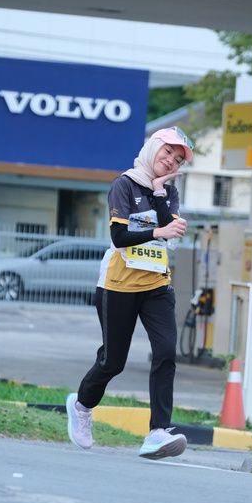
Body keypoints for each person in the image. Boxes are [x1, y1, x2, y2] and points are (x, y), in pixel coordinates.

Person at [66, 126, 193, 460]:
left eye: (178, 159)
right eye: (167, 152)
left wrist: (159, 194)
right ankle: (81, 406)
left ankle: (158, 432)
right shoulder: (123, 184)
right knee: (113, 361)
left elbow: (171, 236)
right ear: (153, 148)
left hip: (157, 285)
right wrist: (159, 229)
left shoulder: (169, 192)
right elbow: (120, 236)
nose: (171, 161)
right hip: (118, 284)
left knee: (165, 353)